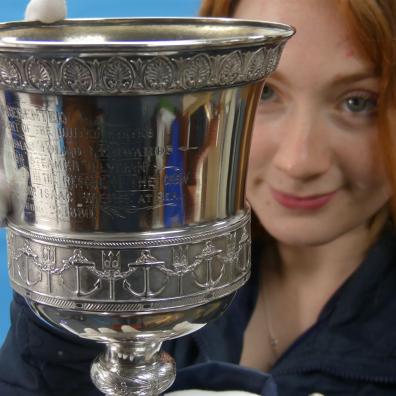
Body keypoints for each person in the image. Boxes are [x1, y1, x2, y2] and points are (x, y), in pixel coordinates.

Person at [1, 0, 396, 395]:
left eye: (358, 101)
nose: (299, 162)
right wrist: (67, 254)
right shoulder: (146, 262)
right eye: (268, 93)